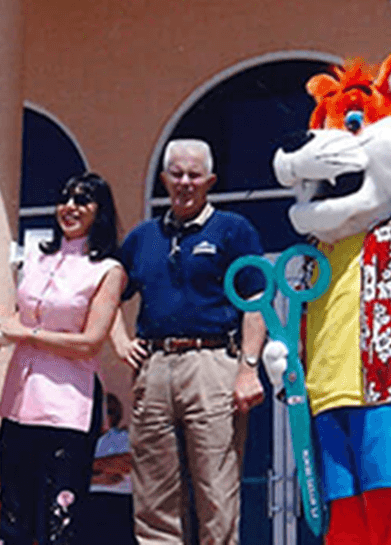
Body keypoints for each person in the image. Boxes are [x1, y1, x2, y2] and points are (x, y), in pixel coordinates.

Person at [109, 138, 266, 544]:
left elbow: (256, 302)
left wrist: (249, 369)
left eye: (194, 174)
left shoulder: (233, 230)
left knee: (217, 488)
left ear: (210, 180)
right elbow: (107, 292)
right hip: (155, 366)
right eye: (176, 174)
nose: (184, 182)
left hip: (212, 363)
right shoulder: (143, 238)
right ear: (163, 179)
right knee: (154, 492)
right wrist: (120, 341)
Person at [0, 172, 126, 544]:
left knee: (60, 515)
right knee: (15, 513)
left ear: (99, 212)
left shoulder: (107, 270)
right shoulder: (36, 257)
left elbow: (90, 342)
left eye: (82, 200)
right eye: (65, 198)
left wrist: (27, 334)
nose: (70, 207)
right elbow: (21, 317)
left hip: (66, 405)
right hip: (20, 399)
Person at [82, 393, 137, 545]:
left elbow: (128, 463)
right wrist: (98, 475)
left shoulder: (123, 437)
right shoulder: (78, 443)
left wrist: (87, 470)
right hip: (86, 505)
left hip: (119, 505)